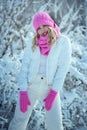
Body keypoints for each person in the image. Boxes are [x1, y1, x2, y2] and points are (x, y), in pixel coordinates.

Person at [8, 12, 71, 130]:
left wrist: (53, 92)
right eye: (39, 28)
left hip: (50, 87)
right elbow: (24, 67)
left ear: (50, 23)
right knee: (18, 122)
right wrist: (23, 91)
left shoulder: (63, 42)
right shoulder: (33, 43)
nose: (42, 30)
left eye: (44, 25)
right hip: (31, 86)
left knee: (55, 125)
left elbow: (62, 69)